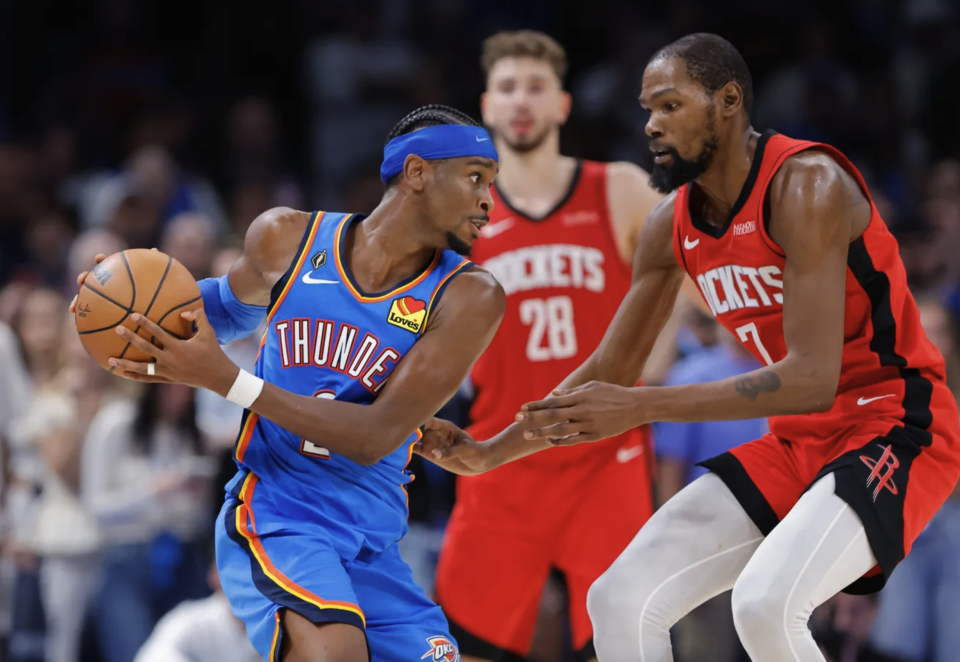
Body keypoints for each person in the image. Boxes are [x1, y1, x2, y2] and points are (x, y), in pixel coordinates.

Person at [421, 34, 960, 662]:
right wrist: (491, 453)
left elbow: (813, 378)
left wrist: (642, 405)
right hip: (797, 442)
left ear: (727, 101)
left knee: (764, 604)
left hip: (894, 424)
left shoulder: (807, 185)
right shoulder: (669, 224)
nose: (651, 125)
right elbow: (609, 371)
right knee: (618, 598)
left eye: (670, 105)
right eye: (647, 109)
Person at [72, 105, 506, 662]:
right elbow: (221, 312)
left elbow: (375, 435)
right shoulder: (288, 238)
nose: (489, 201)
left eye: (491, 184)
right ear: (417, 171)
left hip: (373, 539)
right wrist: (122, 307)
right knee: (337, 653)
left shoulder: (469, 296)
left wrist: (229, 381)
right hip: (280, 514)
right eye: (475, 178)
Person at [433, 31, 664, 662]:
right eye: (508, 87)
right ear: (487, 106)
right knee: (463, 646)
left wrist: (658, 351)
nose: (522, 100)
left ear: (562, 104)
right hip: (500, 456)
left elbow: (699, 271)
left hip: (604, 461)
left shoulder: (619, 189)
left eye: (536, 87)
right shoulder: (459, 219)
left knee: (625, 646)